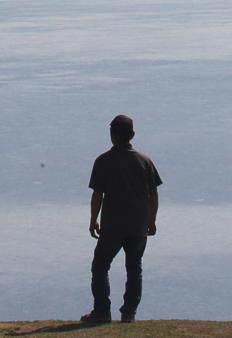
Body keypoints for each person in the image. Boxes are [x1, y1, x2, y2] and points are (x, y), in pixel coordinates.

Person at [81, 115, 162, 325]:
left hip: (112, 226)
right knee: (134, 268)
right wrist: (151, 220)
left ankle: (102, 310)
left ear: (112, 135)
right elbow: (153, 194)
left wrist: (93, 220)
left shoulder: (103, 161)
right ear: (132, 135)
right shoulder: (144, 161)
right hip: (138, 226)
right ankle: (129, 313)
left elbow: (97, 194)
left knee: (100, 266)